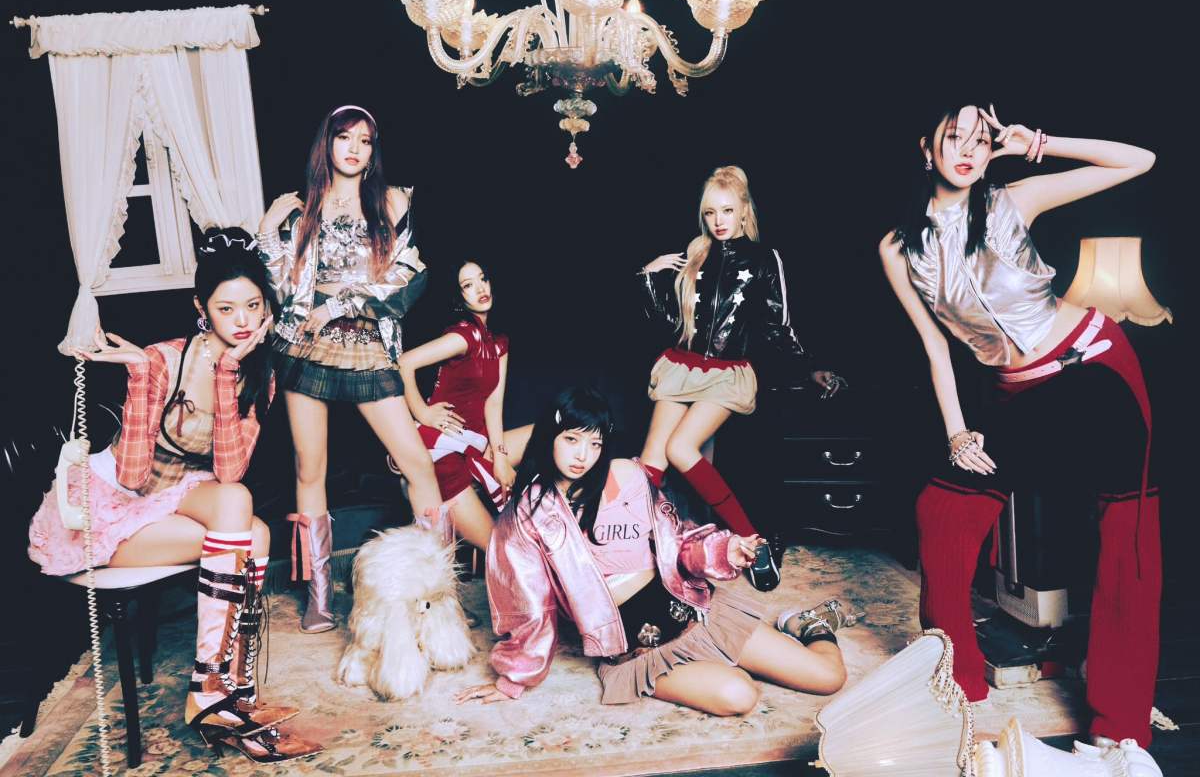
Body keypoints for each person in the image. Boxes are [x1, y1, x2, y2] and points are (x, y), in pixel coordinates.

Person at [878, 102, 1159, 751]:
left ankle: (1121, 728)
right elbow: (935, 347)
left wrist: (1038, 142)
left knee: (1129, 536)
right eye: (955, 137)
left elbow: (1140, 161)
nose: (968, 151)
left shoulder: (1014, 200)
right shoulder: (897, 247)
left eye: (981, 141)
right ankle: (962, 692)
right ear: (926, 147)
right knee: (942, 512)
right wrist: (957, 433)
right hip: (1019, 392)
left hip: (1094, 366)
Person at [28, 234, 321, 763]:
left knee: (248, 520)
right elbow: (133, 475)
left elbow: (228, 471)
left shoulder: (259, 374)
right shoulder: (164, 359)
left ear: (268, 309)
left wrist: (229, 374)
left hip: (177, 498)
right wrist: (140, 378)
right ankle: (219, 695)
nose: (242, 320)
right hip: (112, 508)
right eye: (226, 308)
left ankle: (224, 692)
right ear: (201, 308)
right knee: (246, 530)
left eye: (253, 306)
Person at [456, 387, 847, 712]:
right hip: (637, 652)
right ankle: (722, 666)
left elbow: (679, 543)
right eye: (571, 439)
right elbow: (529, 604)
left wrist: (726, 550)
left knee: (828, 679)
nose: (583, 455)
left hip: (695, 614)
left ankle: (808, 623)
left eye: (595, 443)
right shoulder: (527, 516)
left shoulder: (627, 476)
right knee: (739, 694)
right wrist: (513, 680)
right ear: (549, 438)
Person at [256, 105, 445, 633]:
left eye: (364, 140)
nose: (354, 148)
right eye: (345, 138)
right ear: (328, 143)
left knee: (417, 462)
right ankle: (319, 597)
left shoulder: (392, 200)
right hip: (306, 346)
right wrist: (268, 229)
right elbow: (280, 286)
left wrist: (342, 302)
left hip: (366, 343)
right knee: (308, 468)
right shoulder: (303, 208)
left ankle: (436, 590)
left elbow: (409, 274)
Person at [639, 165, 844, 591]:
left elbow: (778, 325)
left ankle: (754, 541)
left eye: (728, 210)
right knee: (652, 463)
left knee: (681, 448)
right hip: (681, 365)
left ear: (744, 211)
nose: (719, 221)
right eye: (711, 212)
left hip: (726, 374)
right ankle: (639, 552)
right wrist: (649, 277)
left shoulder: (765, 258)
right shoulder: (695, 254)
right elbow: (670, 324)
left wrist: (809, 366)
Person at [396, 258, 533, 552]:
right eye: (468, 285)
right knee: (498, 549)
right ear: (459, 296)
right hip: (443, 449)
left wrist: (500, 458)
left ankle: (563, 521)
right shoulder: (463, 336)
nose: (480, 289)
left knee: (548, 433)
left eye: (483, 279)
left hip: (474, 442)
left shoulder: (498, 343)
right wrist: (423, 413)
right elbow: (404, 364)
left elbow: (493, 404)